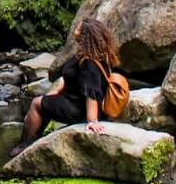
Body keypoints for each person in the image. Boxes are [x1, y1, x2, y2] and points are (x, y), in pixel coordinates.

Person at [9, 17, 121, 157]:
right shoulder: (88, 55)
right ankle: (33, 140)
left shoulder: (89, 63)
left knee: (36, 103)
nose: (75, 29)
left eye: (79, 28)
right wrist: (55, 92)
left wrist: (92, 121)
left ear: (85, 35)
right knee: (45, 101)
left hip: (78, 109)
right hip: (72, 99)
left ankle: (24, 145)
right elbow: (67, 77)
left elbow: (91, 93)